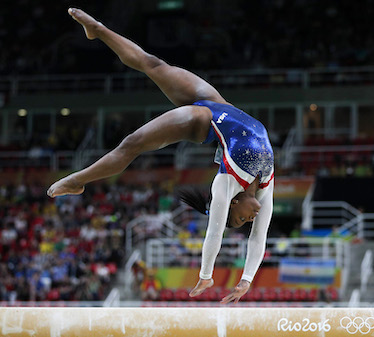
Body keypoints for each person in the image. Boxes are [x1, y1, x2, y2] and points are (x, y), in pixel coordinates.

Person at [47, 8, 275, 304]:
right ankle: (99, 30)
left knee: (133, 142)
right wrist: (243, 279)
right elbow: (259, 237)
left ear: (233, 202)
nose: (251, 219)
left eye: (242, 219)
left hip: (203, 119)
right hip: (221, 105)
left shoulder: (225, 186)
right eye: (246, 220)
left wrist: (212, 275)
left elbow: (217, 232)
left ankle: (78, 180)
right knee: (154, 64)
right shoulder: (267, 186)